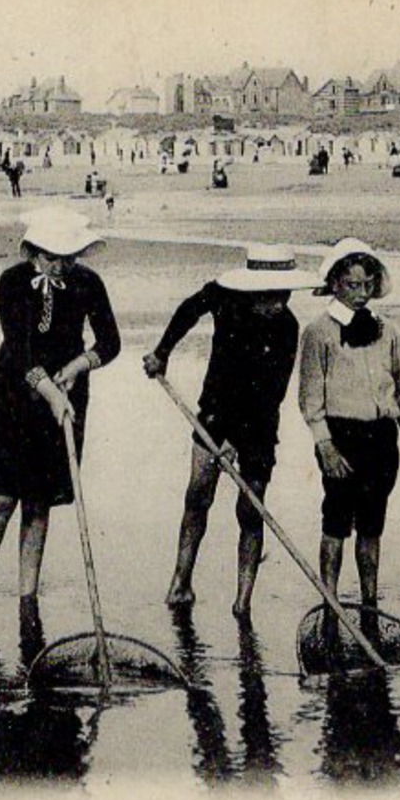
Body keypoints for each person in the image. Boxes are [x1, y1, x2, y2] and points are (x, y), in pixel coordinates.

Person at [0, 208, 121, 611]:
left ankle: (28, 595)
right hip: (12, 394)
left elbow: (110, 342)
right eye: (51, 257)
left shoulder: (87, 283)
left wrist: (79, 366)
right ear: (31, 251)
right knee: (1, 496)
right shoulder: (11, 282)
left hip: (67, 390)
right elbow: (21, 349)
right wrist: (51, 393)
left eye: (68, 257)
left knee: (40, 498)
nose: (60, 265)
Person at [144, 245, 310, 616]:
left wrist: (237, 440)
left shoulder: (287, 327)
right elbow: (188, 310)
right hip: (215, 413)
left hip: (259, 425)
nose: (279, 304)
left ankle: (242, 601)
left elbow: (273, 391)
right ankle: (181, 582)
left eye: (285, 295)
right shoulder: (224, 297)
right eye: (271, 296)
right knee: (197, 495)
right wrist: (162, 352)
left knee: (251, 510)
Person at [298, 238, 400, 617]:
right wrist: (325, 447)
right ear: (335, 284)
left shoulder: (389, 330)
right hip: (341, 436)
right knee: (335, 520)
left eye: (367, 285)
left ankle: (370, 602)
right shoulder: (318, 333)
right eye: (352, 285)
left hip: (382, 437)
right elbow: (310, 399)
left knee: (372, 522)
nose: (361, 293)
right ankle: (330, 599)